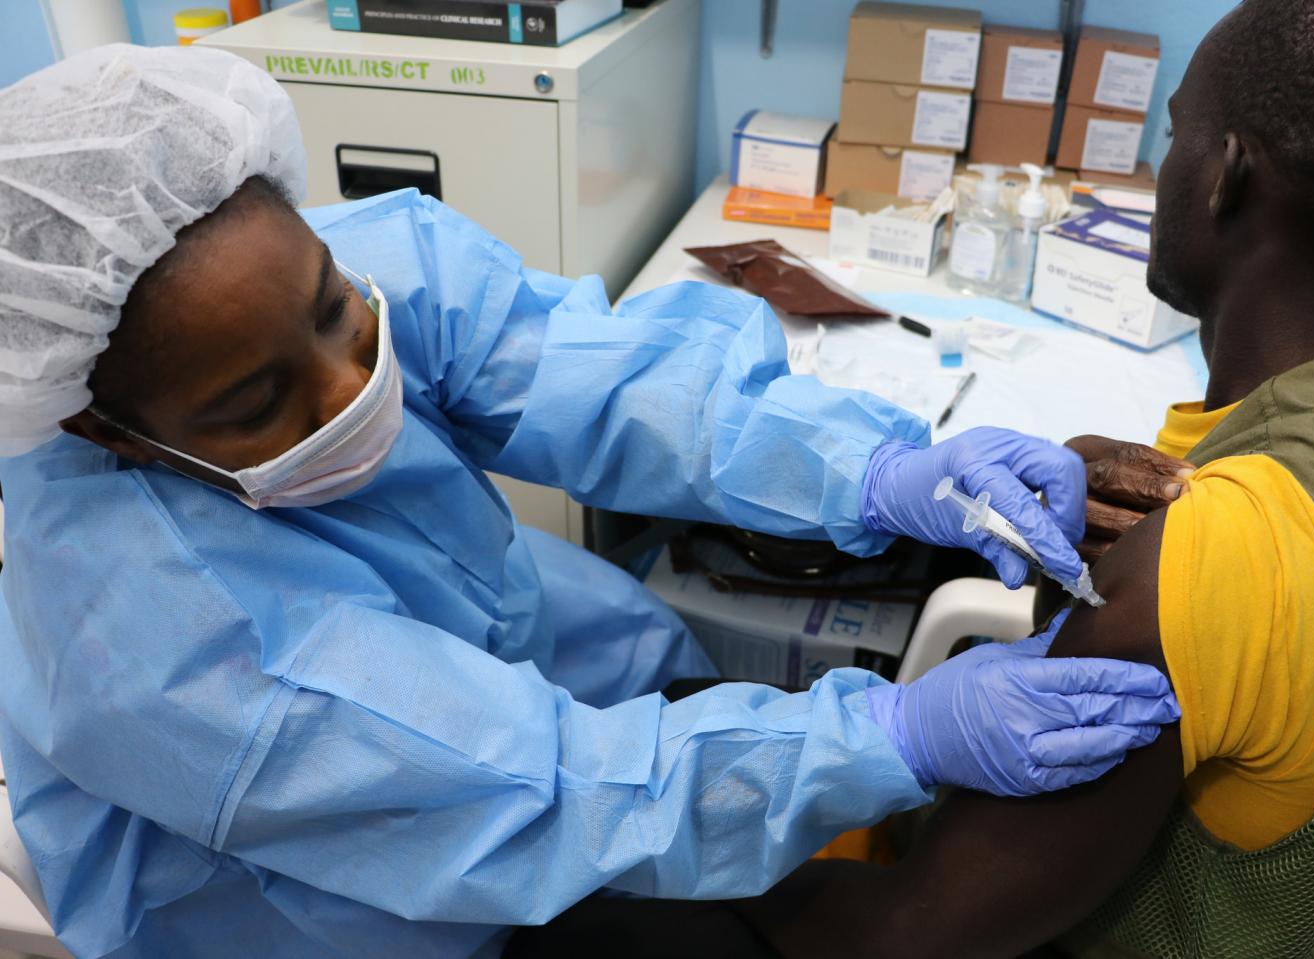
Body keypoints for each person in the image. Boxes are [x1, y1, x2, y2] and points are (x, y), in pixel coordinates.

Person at [0, 46, 1179, 959]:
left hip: (533, 699)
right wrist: (900, 732)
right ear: (105, 428)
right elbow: (528, 789)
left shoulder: (289, 264)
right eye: (262, 399)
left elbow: (595, 374)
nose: (354, 385)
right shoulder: (152, 643)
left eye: (333, 313)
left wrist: (878, 470)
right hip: (344, 904)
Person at [506, 0, 1314, 956]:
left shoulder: (1209, 566)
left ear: (1227, 178)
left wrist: (636, 874)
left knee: (566, 916)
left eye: (1174, 139)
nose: (1163, 173)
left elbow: (902, 936)